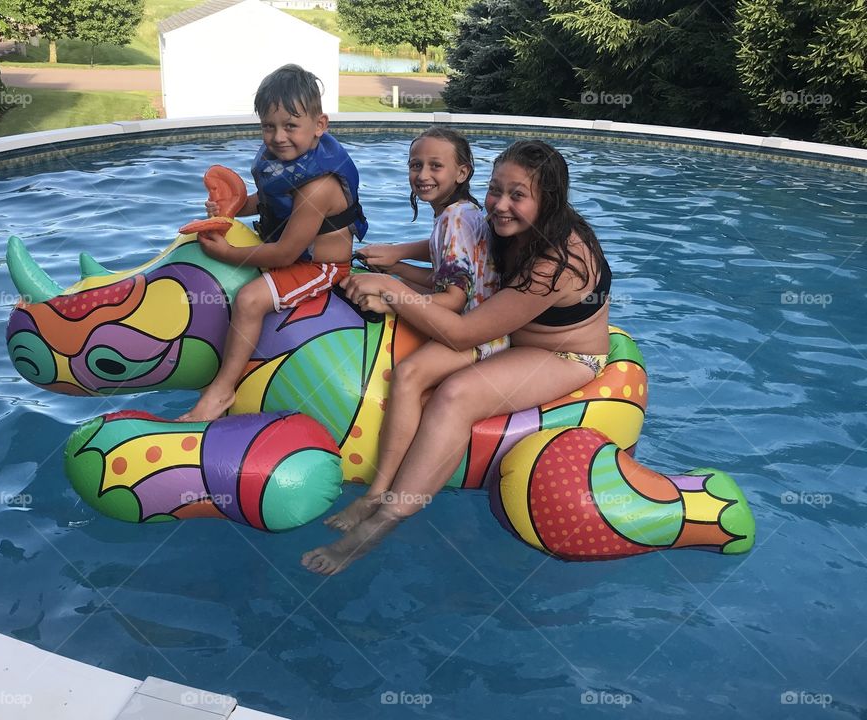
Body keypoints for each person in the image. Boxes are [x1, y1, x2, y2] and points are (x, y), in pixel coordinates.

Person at [302, 140, 612, 575]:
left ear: (548, 201)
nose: (499, 205)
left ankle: (387, 516)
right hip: (508, 332)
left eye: (517, 195)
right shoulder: (509, 222)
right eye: (495, 190)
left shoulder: (557, 263)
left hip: (562, 354)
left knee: (455, 395)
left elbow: (464, 332)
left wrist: (391, 288)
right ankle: (379, 493)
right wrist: (399, 254)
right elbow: (463, 239)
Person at [321, 127, 508, 533]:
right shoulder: (462, 213)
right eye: (415, 165)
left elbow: (453, 300)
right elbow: (446, 278)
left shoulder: (455, 220)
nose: (423, 174)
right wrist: (396, 266)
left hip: (479, 333)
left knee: (408, 375)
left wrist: (390, 296)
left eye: (435, 166)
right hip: (472, 318)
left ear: (462, 172)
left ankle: (378, 492)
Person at [177, 64, 367, 422]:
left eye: (290, 126)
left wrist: (229, 254)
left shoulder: (318, 186)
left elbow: (286, 253)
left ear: (319, 125)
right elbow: (268, 203)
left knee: (249, 300)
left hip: (319, 267)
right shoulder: (288, 161)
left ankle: (222, 391)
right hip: (292, 256)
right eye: (269, 126)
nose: (278, 137)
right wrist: (232, 208)